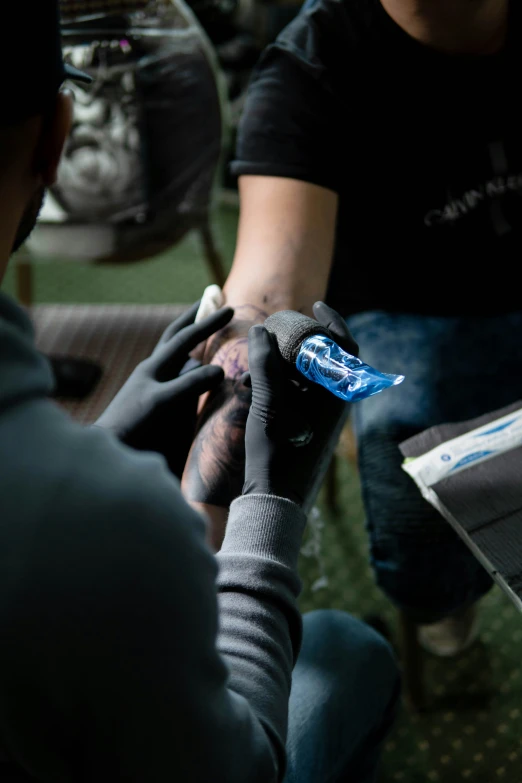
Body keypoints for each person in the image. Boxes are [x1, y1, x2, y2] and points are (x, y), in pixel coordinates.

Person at [0, 3, 399, 781]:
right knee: (350, 656)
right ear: (57, 136)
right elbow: (238, 767)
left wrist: (99, 445)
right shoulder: (104, 524)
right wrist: (268, 517)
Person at [181, 0, 522, 655]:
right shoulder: (310, 67)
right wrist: (203, 508)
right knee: (406, 460)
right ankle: (440, 604)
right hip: (404, 311)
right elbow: (265, 297)